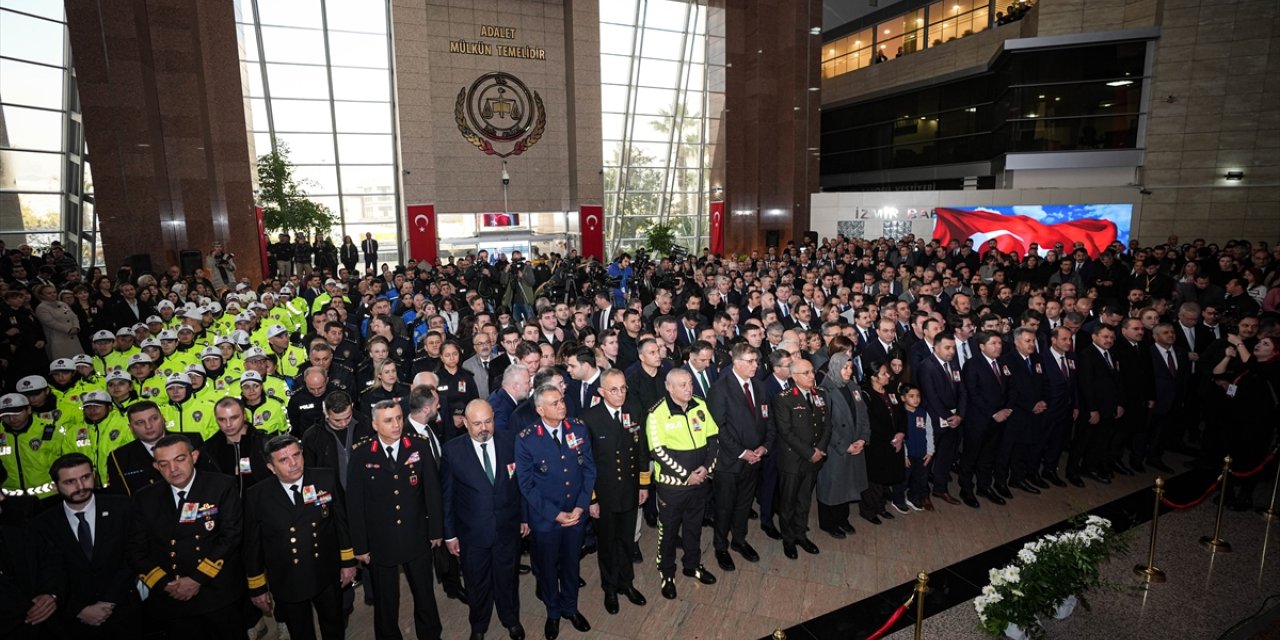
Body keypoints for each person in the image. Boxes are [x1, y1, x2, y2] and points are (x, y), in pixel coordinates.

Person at [127, 434, 246, 639]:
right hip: (171, 595)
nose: (173, 469)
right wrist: (164, 583)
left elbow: (231, 535)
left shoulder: (221, 485)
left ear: (195, 456)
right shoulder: (144, 497)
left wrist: (196, 579)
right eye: (164, 464)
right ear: (156, 467)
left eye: (179, 459)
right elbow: (136, 547)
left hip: (215, 591)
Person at [347, 399, 445, 640]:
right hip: (381, 541)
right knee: (386, 600)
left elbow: (432, 492)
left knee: (424, 594)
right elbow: (355, 504)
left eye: (399, 418)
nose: (396, 424)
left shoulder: (419, 447)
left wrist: (435, 530)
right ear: (375, 425)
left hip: (416, 535)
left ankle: (431, 634)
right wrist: (360, 546)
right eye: (389, 420)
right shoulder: (361, 454)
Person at [243, 435, 356, 640]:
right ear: (271, 466)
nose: (293, 463)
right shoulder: (257, 496)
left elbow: (341, 522)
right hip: (288, 578)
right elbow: (252, 545)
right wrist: (257, 586)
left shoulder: (325, 478)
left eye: (296, 455)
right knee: (300, 631)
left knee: (334, 625)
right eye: (283, 460)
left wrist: (348, 562)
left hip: (326, 571)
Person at [441, 400, 528, 640]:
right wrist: (449, 534)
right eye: (477, 423)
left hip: (507, 528)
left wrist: (524, 517)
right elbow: (446, 497)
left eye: (488, 421)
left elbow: (521, 485)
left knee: (507, 579)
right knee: (476, 584)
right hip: (472, 534)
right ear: (465, 423)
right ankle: (478, 627)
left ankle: (511, 620)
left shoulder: (510, 441)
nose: (483, 428)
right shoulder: (452, 451)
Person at [515, 384, 594, 639]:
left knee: (572, 564)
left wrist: (581, 506)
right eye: (554, 403)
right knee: (548, 568)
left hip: (576, 514)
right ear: (540, 409)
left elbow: (589, 470)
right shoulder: (527, 438)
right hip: (547, 519)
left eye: (561, 400)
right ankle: (553, 612)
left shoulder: (578, 428)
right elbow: (526, 484)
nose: (562, 405)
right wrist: (555, 514)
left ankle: (570, 608)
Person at [31, 453, 139, 638]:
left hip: (123, 612)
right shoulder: (42, 524)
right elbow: (47, 572)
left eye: (85, 477)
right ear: (55, 487)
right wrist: (79, 609)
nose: (80, 487)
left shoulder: (122, 507)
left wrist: (108, 601)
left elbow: (133, 556)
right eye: (70, 482)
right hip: (72, 621)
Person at [579, 368, 649, 614]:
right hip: (605, 494)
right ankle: (609, 587)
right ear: (601, 391)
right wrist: (592, 499)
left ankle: (626, 582)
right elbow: (585, 463)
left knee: (627, 541)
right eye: (613, 389)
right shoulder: (589, 418)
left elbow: (642, 450)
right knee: (607, 544)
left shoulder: (634, 410)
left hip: (630, 490)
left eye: (623, 388)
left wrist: (643, 484)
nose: (620, 394)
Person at [645, 368, 718, 598]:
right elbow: (658, 451)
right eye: (682, 385)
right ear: (669, 387)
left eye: (689, 383)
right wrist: (686, 475)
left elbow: (713, 438)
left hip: (700, 482)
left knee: (694, 526)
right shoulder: (657, 413)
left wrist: (706, 468)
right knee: (667, 532)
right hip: (672, 487)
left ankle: (692, 564)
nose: (689, 388)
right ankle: (667, 572)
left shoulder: (699, 404)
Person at [706, 343, 772, 571]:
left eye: (756, 361)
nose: (756, 365)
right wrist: (742, 452)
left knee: (744, 504)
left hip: (755, 458)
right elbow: (718, 427)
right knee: (724, 507)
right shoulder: (720, 388)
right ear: (737, 362)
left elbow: (768, 419)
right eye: (751, 361)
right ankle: (720, 546)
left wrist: (764, 446)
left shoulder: (760, 387)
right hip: (730, 461)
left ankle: (739, 540)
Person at [773, 358, 830, 557]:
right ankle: (788, 540)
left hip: (814, 459)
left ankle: (801, 535)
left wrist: (820, 450)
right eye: (806, 373)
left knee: (804, 500)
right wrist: (809, 452)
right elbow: (786, 432)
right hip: (793, 461)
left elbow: (826, 425)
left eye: (812, 371)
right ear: (794, 376)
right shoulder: (784, 398)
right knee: (788, 503)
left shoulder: (820, 394)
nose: (812, 376)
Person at [816, 352, 869, 535]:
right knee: (832, 486)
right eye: (844, 368)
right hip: (836, 448)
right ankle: (828, 523)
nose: (848, 372)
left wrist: (862, 438)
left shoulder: (854, 387)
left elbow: (863, 415)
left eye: (850, 368)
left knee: (848, 485)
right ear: (835, 368)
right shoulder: (824, 390)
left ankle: (842, 518)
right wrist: (844, 445)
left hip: (855, 442)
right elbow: (825, 424)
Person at [1067, 324, 1124, 486]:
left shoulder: (1112, 354)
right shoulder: (1087, 355)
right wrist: (1093, 409)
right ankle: (1072, 471)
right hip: (1090, 409)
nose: (1109, 340)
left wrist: (1119, 403)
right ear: (1094, 337)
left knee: (1099, 440)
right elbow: (1086, 385)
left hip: (1109, 407)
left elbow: (1118, 381)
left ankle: (1089, 467)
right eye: (1105, 337)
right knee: (1081, 441)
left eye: (1112, 337)